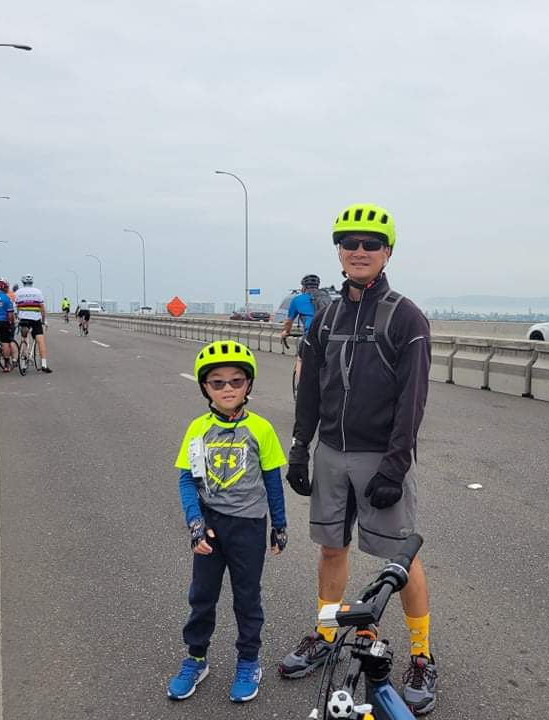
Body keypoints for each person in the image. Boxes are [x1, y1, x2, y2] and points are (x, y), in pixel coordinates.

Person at [279, 203, 437, 715]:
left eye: (371, 243)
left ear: (388, 251)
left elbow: (412, 398)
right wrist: (301, 447)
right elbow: (308, 390)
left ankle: (420, 654)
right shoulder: (326, 315)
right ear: (339, 252)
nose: (359, 250)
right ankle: (326, 634)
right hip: (331, 454)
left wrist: (395, 465)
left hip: (380, 457)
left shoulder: (406, 315)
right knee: (330, 550)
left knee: (400, 560)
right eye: (349, 243)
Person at [168, 340, 288, 704]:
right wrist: (194, 523)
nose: (227, 389)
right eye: (217, 382)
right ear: (205, 387)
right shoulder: (198, 429)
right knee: (202, 596)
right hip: (210, 525)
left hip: (249, 526)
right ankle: (196, 659)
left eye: (236, 381)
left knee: (247, 599)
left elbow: (272, 480)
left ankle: (249, 661)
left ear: (248, 385)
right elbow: (188, 479)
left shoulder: (262, 429)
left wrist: (279, 525)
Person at [280, 274, 331, 382]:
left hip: (310, 336)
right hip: (328, 336)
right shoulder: (327, 298)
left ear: (303, 287)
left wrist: (286, 332)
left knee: (300, 359)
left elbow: (289, 321)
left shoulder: (297, 299)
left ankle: (302, 388)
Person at [14, 274, 53, 373]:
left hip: (23, 319)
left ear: (23, 282)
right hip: (35, 319)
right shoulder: (38, 292)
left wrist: (17, 317)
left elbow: (15, 307)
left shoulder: (18, 292)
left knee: (24, 337)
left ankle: (23, 357)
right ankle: (44, 364)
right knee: (40, 340)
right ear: (32, 282)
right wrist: (44, 321)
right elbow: (42, 309)